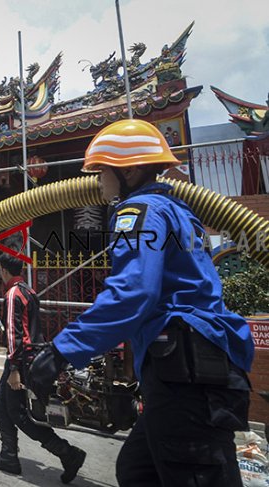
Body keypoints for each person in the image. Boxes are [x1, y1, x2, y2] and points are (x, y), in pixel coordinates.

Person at [27, 119, 254, 487]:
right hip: (193, 368)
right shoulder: (178, 211)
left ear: (129, 170)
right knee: (137, 470)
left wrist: (60, 351)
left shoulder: (141, 211)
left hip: (187, 375)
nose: (99, 182)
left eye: (102, 172)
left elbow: (133, 292)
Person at [0, 253, 85, 483]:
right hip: (29, 358)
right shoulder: (29, 291)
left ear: (3, 270)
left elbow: (14, 333)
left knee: (20, 414)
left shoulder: (13, 293)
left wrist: (14, 368)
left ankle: (68, 453)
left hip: (20, 361)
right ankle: (8, 455)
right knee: (1, 404)